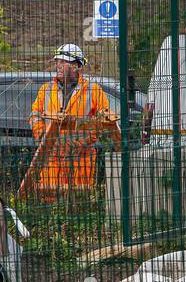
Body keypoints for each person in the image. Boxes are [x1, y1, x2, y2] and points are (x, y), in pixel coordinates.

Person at [28, 43, 119, 197]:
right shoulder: (46, 90)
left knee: (80, 201)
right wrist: (43, 136)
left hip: (81, 157)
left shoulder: (94, 90)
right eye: (57, 62)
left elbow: (105, 119)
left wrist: (83, 141)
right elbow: (34, 115)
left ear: (76, 66)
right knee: (49, 199)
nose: (58, 65)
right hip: (52, 156)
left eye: (63, 62)